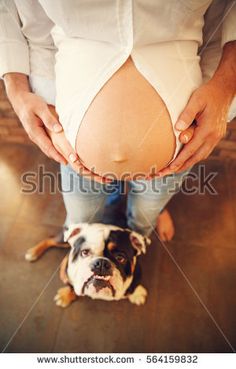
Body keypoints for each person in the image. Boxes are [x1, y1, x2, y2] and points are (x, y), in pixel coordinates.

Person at [0, 0, 235, 240]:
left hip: (180, 144)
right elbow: (14, 13)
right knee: (80, 219)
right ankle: (84, 242)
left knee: (144, 217)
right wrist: (17, 89)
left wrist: (224, 87)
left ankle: (143, 228)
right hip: (70, 141)